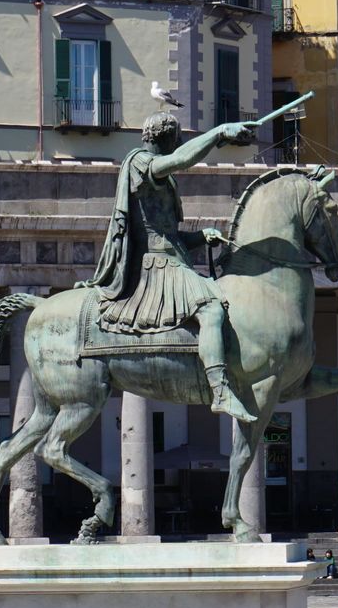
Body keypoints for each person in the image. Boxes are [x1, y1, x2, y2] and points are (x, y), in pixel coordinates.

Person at [88, 112, 261, 423]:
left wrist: (200, 236)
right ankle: (220, 390)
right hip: (157, 266)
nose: (178, 143)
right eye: (176, 138)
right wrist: (219, 131)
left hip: (172, 257)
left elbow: (168, 233)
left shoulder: (163, 176)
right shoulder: (141, 162)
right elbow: (181, 160)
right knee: (211, 308)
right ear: (166, 139)